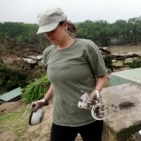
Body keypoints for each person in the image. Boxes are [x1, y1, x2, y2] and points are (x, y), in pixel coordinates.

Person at [31, 8, 108, 141]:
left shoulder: (87, 47)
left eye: (52, 30)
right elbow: (57, 82)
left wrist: (97, 91)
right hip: (62, 118)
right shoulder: (48, 53)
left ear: (65, 24)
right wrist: (44, 100)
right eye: (45, 32)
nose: (49, 35)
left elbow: (102, 76)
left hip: (89, 116)